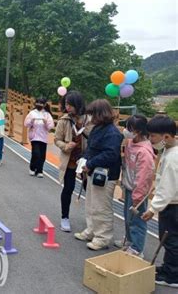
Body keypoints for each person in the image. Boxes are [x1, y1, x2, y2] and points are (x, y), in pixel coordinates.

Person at [75, 99, 123, 251]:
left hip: (105, 175)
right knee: (91, 203)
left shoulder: (112, 133)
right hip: (94, 172)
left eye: (92, 114)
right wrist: (83, 160)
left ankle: (102, 237)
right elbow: (92, 149)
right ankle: (92, 230)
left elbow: (111, 154)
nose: (90, 118)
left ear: (99, 114)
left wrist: (90, 163)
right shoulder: (98, 128)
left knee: (101, 206)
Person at [142, 115, 178, 288]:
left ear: (166, 137)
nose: (150, 139)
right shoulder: (169, 151)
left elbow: (167, 188)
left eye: (153, 136)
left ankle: (172, 276)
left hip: (172, 205)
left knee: (171, 240)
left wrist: (152, 209)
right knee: (171, 239)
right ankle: (169, 268)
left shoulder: (172, 157)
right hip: (170, 203)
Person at [113, 115, 155, 257]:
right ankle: (129, 241)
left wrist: (138, 195)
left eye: (129, 129)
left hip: (139, 192)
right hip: (129, 186)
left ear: (138, 131)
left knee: (137, 221)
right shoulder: (131, 143)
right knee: (128, 217)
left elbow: (144, 176)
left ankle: (137, 248)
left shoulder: (144, 152)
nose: (126, 131)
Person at [54, 91, 91, 232]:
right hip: (70, 159)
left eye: (70, 105)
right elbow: (57, 139)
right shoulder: (64, 120)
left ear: (78, 104)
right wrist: (65, 146)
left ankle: (91, 220)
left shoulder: (89, 119)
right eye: (66, 104)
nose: (67, 107)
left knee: (90, 190)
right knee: (68, 188)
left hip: (86, 160)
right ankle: (64, 217)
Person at [25, 97, 54, 178]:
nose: (39, 105)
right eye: (38, 102)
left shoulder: (47, 114)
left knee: (42, 155)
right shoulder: (32, 113)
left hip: (43, 138)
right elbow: (26, 124)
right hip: (34, 137)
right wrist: (31, 121)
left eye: (41, 103)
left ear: (44, 105)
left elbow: (51, 126)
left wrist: (45, 123)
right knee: (36, 153)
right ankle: (32, 167)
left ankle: (39, 170)